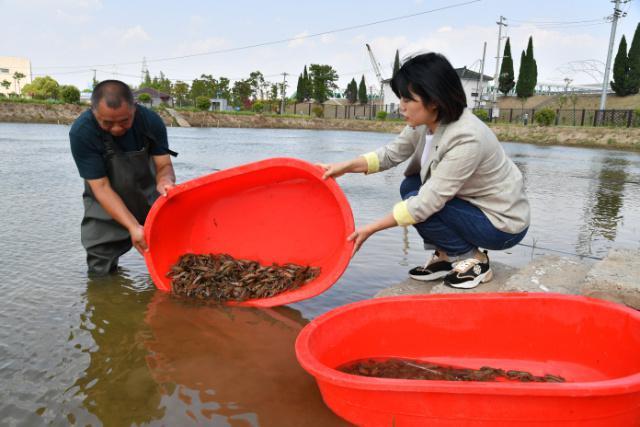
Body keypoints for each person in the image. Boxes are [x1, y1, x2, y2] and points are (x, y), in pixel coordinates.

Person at [320, 53, 530, 289]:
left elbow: (427, 203)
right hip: (471, 207)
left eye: (407, 100)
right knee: (410, 185)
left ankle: (472, 260)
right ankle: (446, 256)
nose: (401, 107)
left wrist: (370, 229)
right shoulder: (426, 122)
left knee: (417, 200)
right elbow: (391, 154)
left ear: (434, 100)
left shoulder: (466, 137)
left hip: (500, 223)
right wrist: (345, 167)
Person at [70, 80, 177, 275]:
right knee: (100, 270)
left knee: (171, 262)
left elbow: (164, 165)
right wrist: (131, 225)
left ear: (134, 108)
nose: (117, 129)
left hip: (149, 199)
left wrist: (165, 180)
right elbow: (100, 186)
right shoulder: (82, 132)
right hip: (105, 206)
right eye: (107, 123)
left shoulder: (150, 121)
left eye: (124, 121)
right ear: (93, 111)